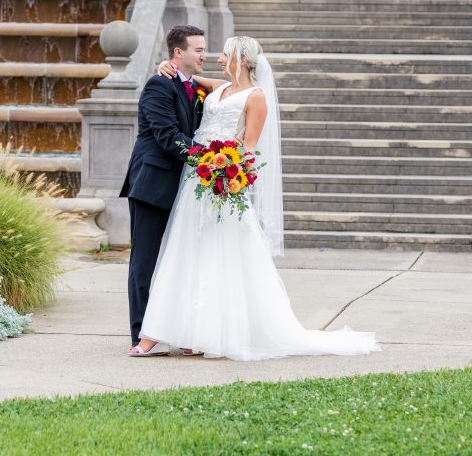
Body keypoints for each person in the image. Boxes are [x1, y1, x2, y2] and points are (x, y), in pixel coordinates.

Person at [128, 35, 380, 360]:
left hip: (221, 181)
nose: (218, 59)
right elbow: (193, 81)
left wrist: (228, 173)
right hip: (194, 180)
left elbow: (248, 148)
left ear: (240, 60)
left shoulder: (255, 97)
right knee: (185, 250)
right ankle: (171, 331)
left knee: (219, 256)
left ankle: (199, 333)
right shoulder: (217, 90)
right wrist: (172, 69)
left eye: (224, 54)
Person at [119, 25, 208, 351]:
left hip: (185, 191)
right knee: (144, 263)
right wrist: (209, 159)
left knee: (180, 262)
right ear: (177, 53)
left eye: (204, 48)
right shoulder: (158, 85)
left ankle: (179, 328)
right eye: (198, 49)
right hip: (152, 185)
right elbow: (167, 135)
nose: (203, 54)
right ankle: (141, 333)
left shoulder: (199, 89)